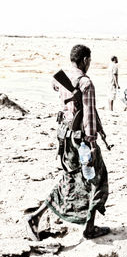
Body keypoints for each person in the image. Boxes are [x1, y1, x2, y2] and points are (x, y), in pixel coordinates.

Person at [26, 44, 110, 240]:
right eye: (89, 60)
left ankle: (35, 217)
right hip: (80, 139)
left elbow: (55, 85)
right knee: (98, 179)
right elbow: (88, 116)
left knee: (69, 178)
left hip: (65, 137)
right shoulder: (86, 83)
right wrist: (92, 143)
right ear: (85, 60)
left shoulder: (61, 78)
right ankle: (90, 229)